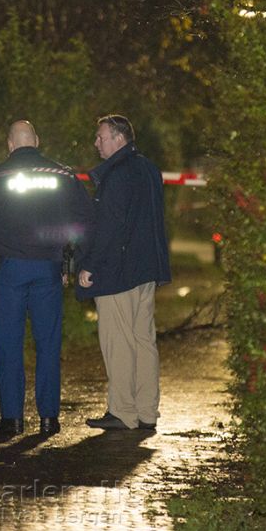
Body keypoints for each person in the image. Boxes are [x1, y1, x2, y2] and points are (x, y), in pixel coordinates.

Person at [0, 120, 93, 437]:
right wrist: (69, 261)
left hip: (8, 270)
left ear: (10, 144)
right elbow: (85, 220)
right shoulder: (62, 175)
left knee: (9, 345)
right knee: (48, 345)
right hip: (47, 269)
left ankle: (13, 419)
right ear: (36, 140)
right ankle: (49, 418)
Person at [76, 114, 171, 431]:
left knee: (118, 341)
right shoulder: (148, 169)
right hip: (146, 270)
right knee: (144, 340)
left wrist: (89, 264)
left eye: (100, 136)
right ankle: (146, 412)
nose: (96, 143)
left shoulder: (117, 175)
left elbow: (110, 227)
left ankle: (123, 411)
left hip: (118, 271)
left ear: (119, 139)